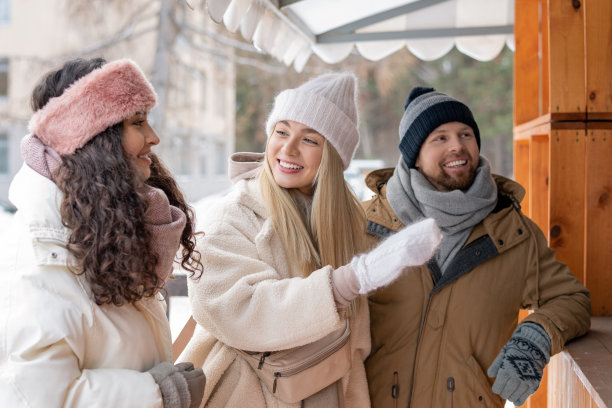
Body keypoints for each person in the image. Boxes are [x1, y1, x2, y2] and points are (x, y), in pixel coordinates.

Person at [178, 73, 442, 407]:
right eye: (282, 131)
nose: (287, 149)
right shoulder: (233, 215)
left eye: (309, 140)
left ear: (332, 156)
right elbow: (234, 308)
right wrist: (347, 282)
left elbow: (354, 351)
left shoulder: (349, 225)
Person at [362, 86, 591, 407]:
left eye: (466, 134)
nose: (457, 146)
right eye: (440, 137)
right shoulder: (364, 225)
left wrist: (536, 337)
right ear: (414, 153)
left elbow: (572, 299)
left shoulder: (513, 233)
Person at [0, 58, 206, 408]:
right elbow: (31, 395)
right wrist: (157, 394)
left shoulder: (106, 230)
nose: (153, 137)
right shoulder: (42, 256)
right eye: (137, 122)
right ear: (96, 140)